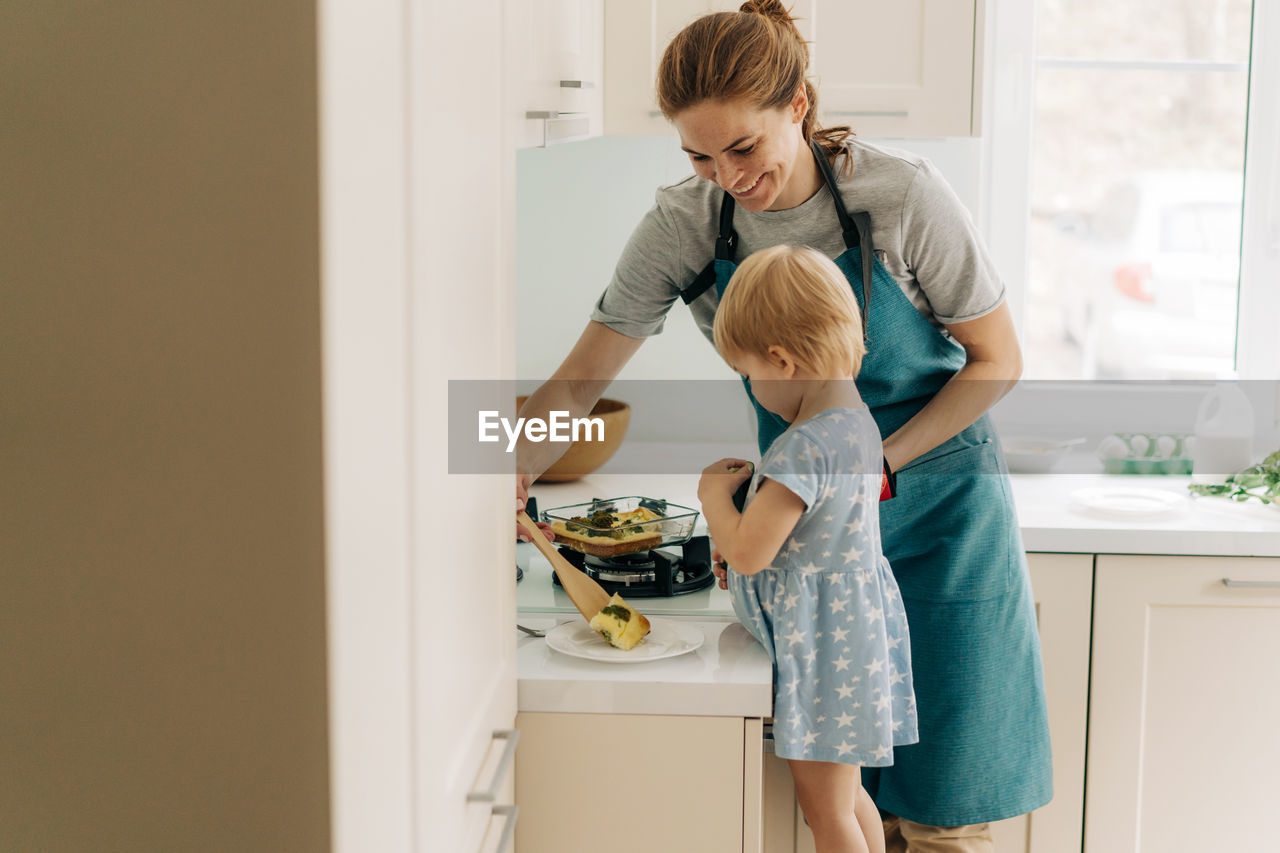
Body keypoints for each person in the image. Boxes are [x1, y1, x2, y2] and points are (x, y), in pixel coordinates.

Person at [515, 2, 1052, 849]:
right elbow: (577, 382)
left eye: (743, 148)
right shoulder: (685, 221)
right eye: (698, 153)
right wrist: (487, 462)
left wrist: (875, 463)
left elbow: (999, 359)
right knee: (834, 808)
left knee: (946, 812)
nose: (726, 175)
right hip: (805, 542)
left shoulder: (901, 195)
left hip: (938, 518)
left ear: (797, 106)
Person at [699, 245, 915, 853]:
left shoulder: (803, 448)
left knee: (827, 814)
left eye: (748, 373)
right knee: (846, 801)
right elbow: (813, 539)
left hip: (826, 653)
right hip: (852, 638)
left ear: (782, 361)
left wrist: (714, 497)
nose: (750, 385)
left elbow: (748, 554)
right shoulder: (857, 424)